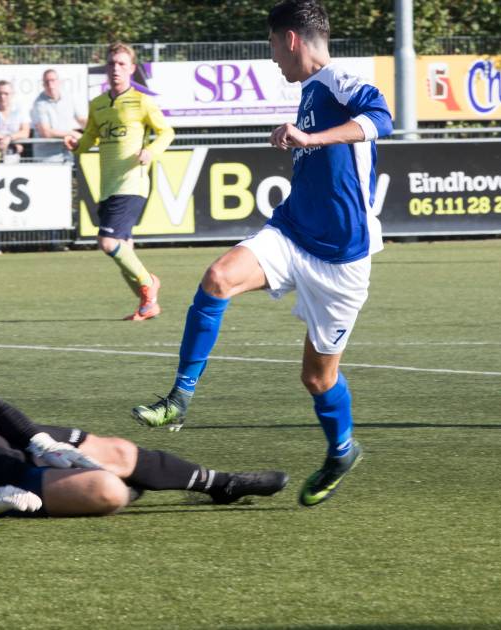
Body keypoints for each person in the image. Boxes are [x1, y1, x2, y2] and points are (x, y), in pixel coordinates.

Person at [131, 0, 391, 509]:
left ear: (291, 39)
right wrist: (298, 140)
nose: (273, 57)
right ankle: (179, 398)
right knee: (217, 278)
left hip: (342, 260)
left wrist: (310, 137)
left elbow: (380, 117)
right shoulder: (310, 91)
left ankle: (342, 450)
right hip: (292, 233)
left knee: (318, 377)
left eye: (273, 45)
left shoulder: (339, 79)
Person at [0, 283, 288, 517]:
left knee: (120, 450)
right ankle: (125, 487)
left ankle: (222, 485)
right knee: (107, 491)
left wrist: (39, 442)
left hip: (9, 446)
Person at [66, 43, 174, 321]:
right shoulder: (98, 105)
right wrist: (76, 144)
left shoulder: (142, 101)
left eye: (122, 64)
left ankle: (149, 285)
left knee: (107, 241)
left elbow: (166, 132)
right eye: (112, 64)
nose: (116, 69)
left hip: (132, 183)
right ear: (106, 68)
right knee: (124, 248)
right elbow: (90, 138)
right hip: (108, 185)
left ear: (132, 69)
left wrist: (151, 151)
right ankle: (147, 306)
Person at [30, 69, 86, 162]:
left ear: (59, 82)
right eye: (47, 81)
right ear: (43, 84)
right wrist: (72, 133)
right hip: (47, 158)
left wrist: (96, 129)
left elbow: (81, 119)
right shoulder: (38, 104)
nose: (50, 85)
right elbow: (46, 132)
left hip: (68, 154)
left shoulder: (69, 98)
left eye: (53, 80)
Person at [0, 80, 31, 161]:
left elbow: (25, 132)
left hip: (13, 156)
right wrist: (9, 139)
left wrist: (9, 138)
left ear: (12, 95)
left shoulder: (21, 109)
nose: (2, 97)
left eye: (6, 94)